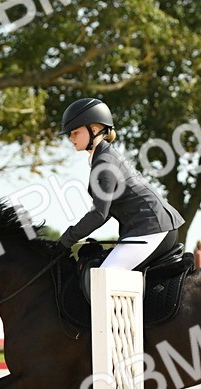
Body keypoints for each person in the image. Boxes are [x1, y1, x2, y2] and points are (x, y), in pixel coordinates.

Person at [57, 98, 185, 271]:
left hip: (152, 229)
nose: (71, 138)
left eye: (75, 133)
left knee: (103, 277)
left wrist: (65, 240)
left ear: (93, 130)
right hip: (151, 227)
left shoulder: (104, 162)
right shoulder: (105, 157)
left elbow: (99, 214)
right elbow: (107, 210)